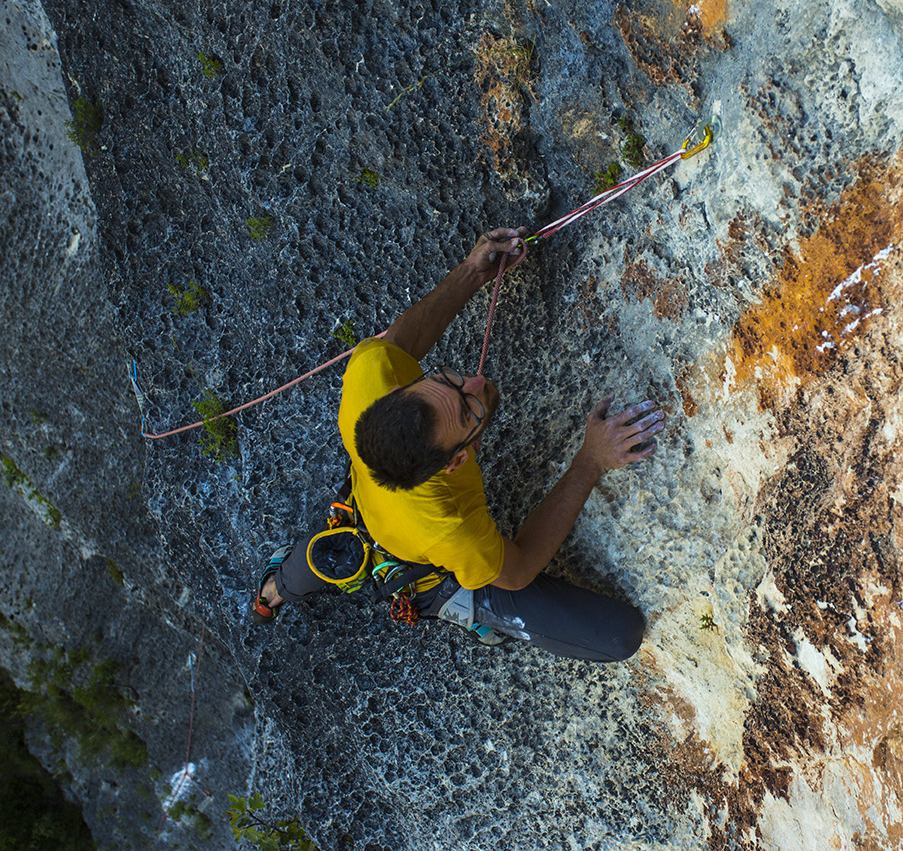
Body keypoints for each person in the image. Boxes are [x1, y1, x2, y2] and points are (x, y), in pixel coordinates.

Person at [250, 227, 664, 662]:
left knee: (320, 556)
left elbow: (400, 343)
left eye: (444, 378)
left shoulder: (369, 376)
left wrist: (471, 273)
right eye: (469, 408)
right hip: (424, 566)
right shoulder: (453, 528)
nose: (476, 380)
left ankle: (276, 588)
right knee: (620, 636)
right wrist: (590, 461)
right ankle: (439, 601)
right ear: (457, 460)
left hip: (366, 503)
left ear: (395, 392)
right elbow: (519, 569)